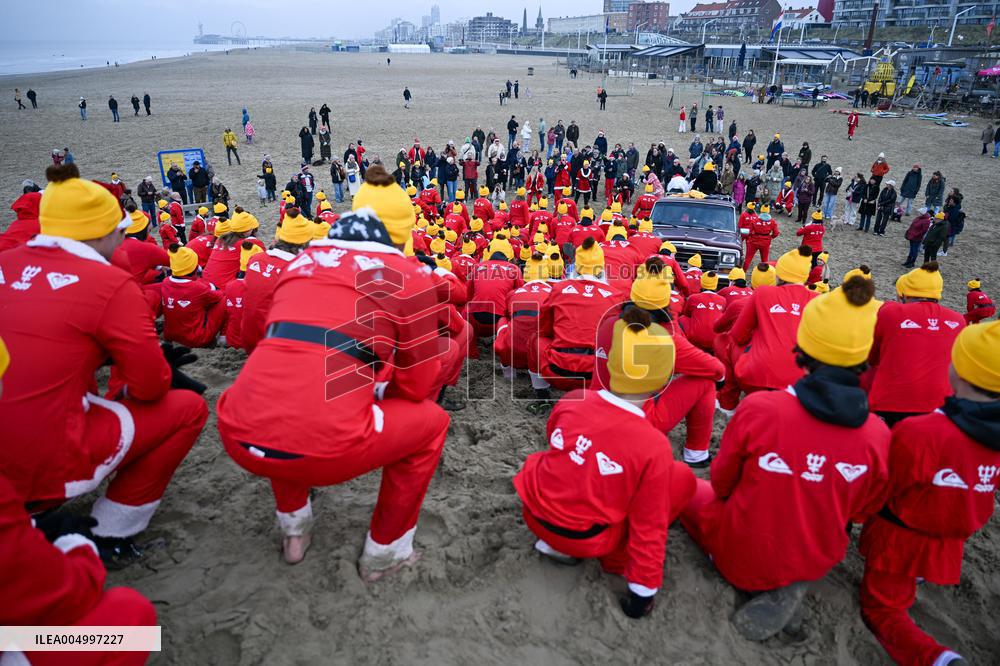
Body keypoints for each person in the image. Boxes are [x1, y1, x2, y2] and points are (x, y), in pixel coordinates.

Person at [217, 168, 451, 575]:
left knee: (286, 391)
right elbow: (417, 387)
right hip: (325, 445)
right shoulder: (410, 276)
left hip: (239, 429)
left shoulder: (300, 261)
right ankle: (386, 551)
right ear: (400, 235)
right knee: (431, 423)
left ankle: (295, 531)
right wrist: (375, 386)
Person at [0, 164, 208, 566]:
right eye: (119, 230)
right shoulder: (109, 283)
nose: (123, 239)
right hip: (38, 457)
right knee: (187, 409)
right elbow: (150, 385)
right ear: (99, 233)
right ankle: (112, 532)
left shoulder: (7, 261)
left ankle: (32, 512)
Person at [681, 275, 889, 641]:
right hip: (817, 554)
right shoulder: (878, 435)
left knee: (682, 484)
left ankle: (756, 582)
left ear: (802, 346)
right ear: (863, 359)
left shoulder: (761, 408)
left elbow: (721, 483)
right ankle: (788, 578)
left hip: (742, 550)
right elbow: (858, 512)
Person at [514, 305, 697, 619]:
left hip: (535, 515)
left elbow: (557, 445)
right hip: (590, 539)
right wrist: (642, 594)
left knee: (566, 459)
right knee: (681, 479)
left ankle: (554, 542)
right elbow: (649, 527)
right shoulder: (652, 443)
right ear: (663, 379)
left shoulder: (572, 402)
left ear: (611, 362)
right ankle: (614, 559)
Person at [859, 320, 1000, 666]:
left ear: (960, 371)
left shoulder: (923, 432)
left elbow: (886, 488)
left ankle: (936, 658)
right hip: (952, 536)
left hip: (902, 538)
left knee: (882, 609)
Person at [867, 262, 965, 427]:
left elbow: (872, 358)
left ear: (904, 294)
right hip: (940, 406)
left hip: (891, 403)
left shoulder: (890, 312)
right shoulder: (958, 320)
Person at [730, 246, 817, 395]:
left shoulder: (762, 293)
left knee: (726, 343)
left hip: (759, 372)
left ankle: (728, 402)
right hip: (800, 378)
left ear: (780, 274)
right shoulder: (816, 299)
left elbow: (738, 335)